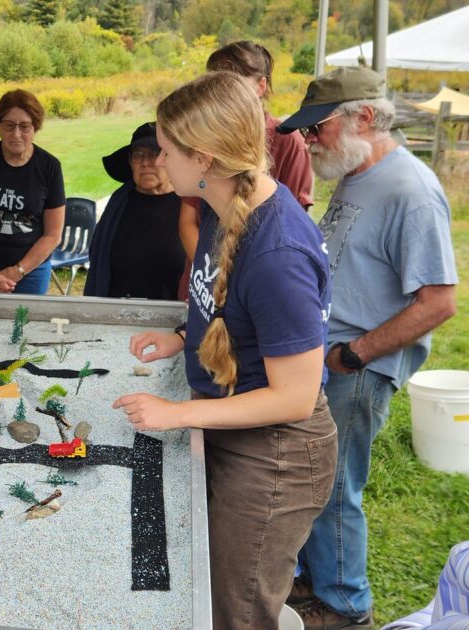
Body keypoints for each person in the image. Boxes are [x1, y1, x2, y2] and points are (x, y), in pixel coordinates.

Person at [113, 71, 338, 630]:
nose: (158, 162)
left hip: (276, 456)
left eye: (165, 151)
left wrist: (177, 413)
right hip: (237, 435)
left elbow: (294, 397)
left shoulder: (279, 249)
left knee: (238, 614)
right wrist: (183, 337)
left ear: (205, 159)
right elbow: (231, 305)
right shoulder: (224, 205)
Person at [276, 66, 458, 630]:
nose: (306, 140)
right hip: (328, 362)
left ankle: (346, 605)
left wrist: (353, 355)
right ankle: (317, 579)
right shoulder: (356, 175)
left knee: (334, 487)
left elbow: (438, 301)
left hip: (357, 369)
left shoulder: (412, 189)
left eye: (318, 127)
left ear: (366, 118)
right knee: (316, 480)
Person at [179, 41, 314, 262]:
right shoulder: (203, 136)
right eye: (214, 84)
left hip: (256, 279)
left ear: (261, 86)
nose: (221, 94)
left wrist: (236, 280)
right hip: (202, 280)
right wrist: (212, 275)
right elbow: (188, 221)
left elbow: (293, 226)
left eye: (233, 84)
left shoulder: (288, 142)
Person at [0, 89, 65, 295]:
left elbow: (53, 235)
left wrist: (18, 271)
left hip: (30, 271)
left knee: (26, 326)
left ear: (35, 127)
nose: (16, 134)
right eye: (9, 126)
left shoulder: (50, 167)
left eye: (24, 126)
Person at [84, 121, 184, 300]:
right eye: (138, 155)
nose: (145, 162)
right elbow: (97, 259)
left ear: (169, 159)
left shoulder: (189, 205)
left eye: (154, 154)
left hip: (174, 318)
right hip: (119, 314)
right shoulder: (118, 203)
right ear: (130, 162)